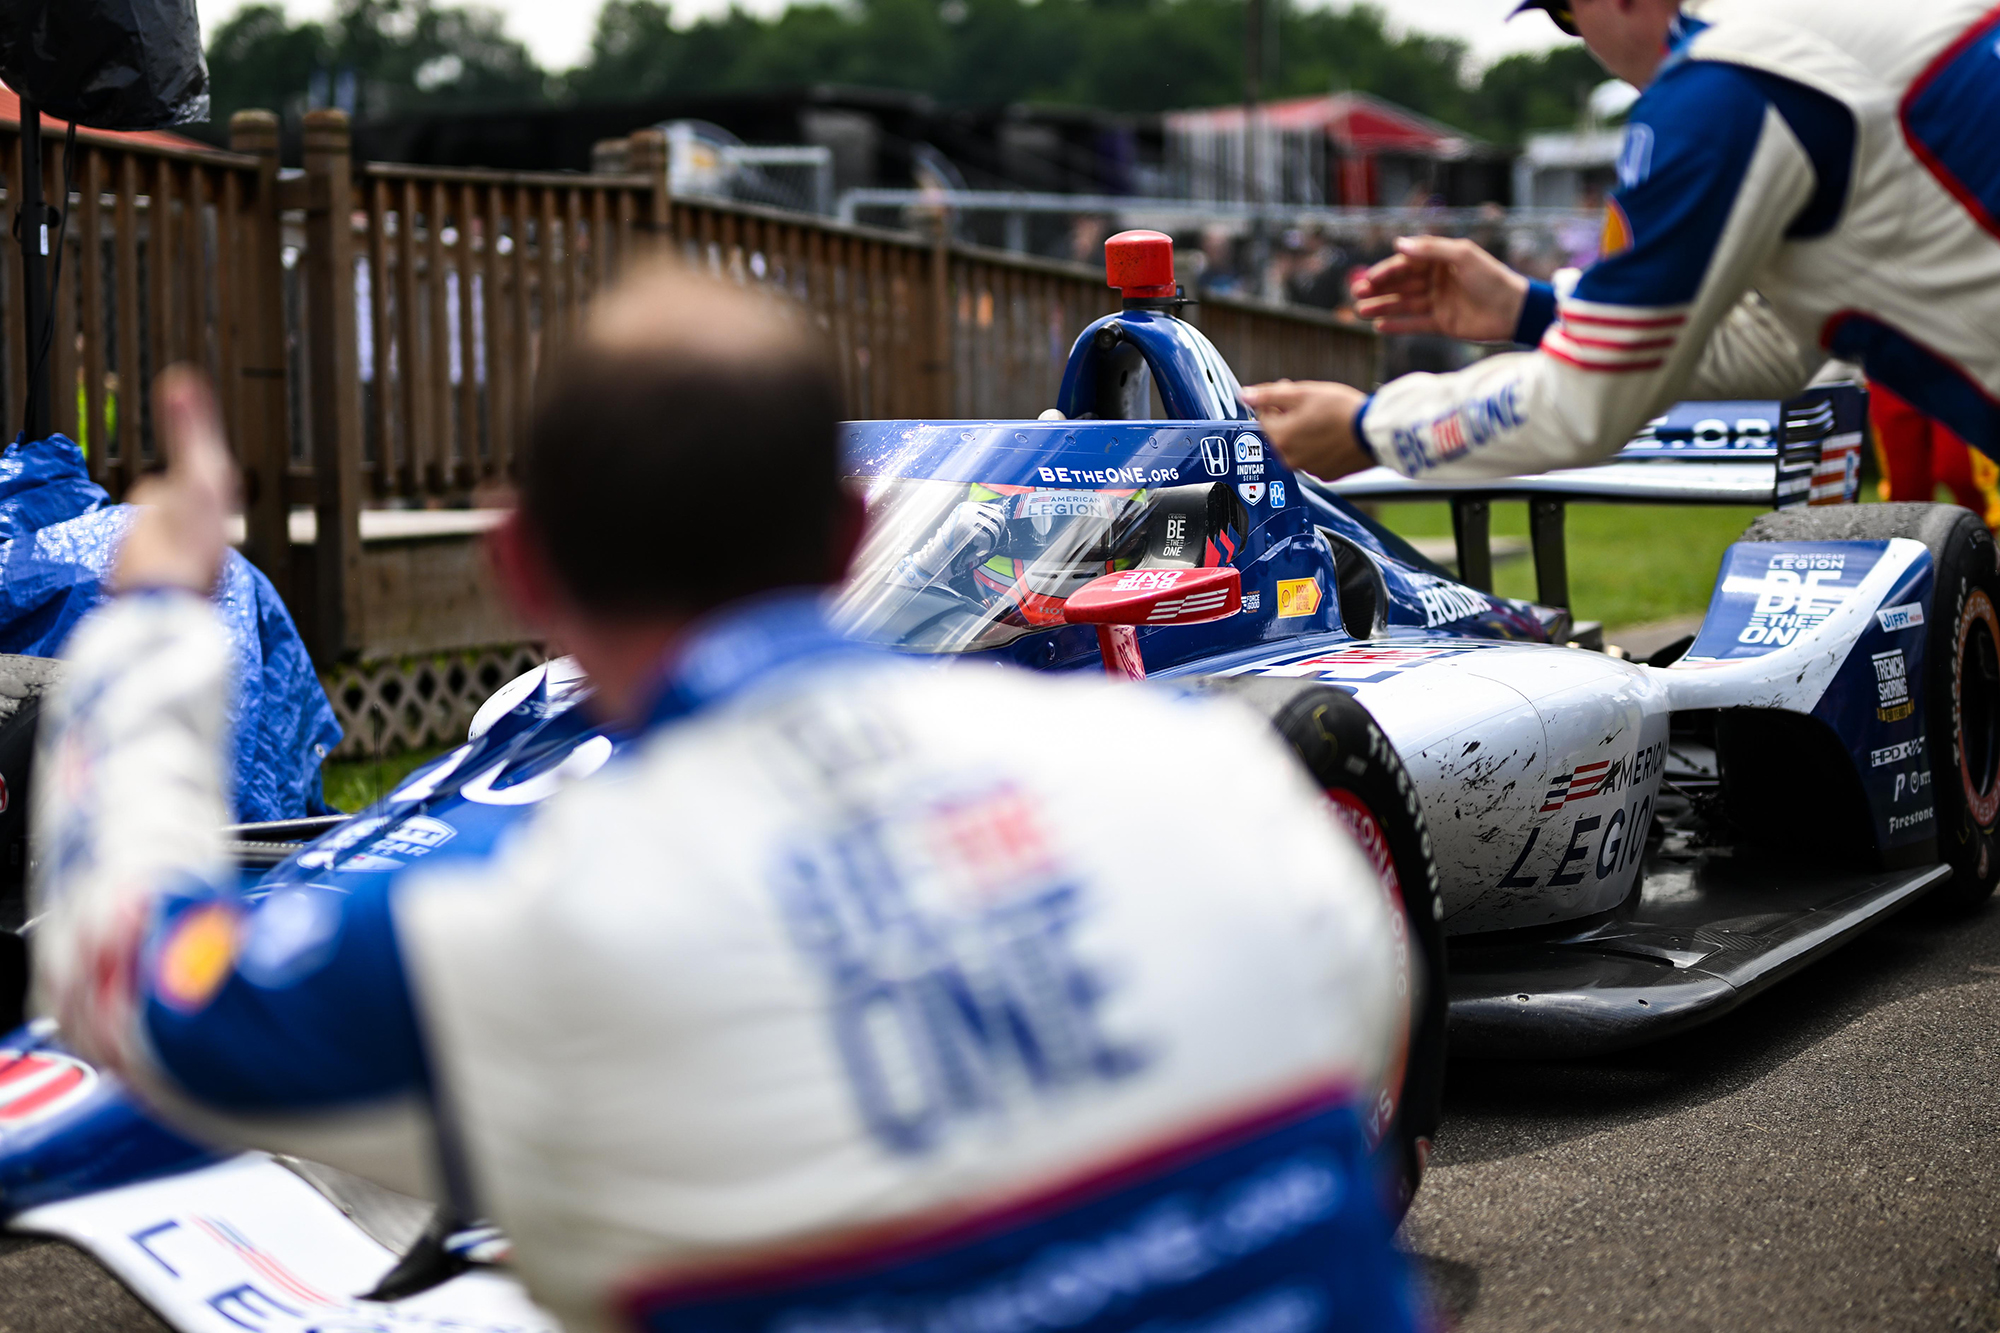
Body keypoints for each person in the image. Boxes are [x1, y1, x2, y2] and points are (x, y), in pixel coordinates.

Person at [28, 264, 1421, 1332]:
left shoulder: (528, 932)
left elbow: (141, 993)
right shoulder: (1219, 784)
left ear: (525, 567)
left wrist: (158, 614)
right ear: (851, 529)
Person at [1243, 0, 2000, 485]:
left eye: (1567, 17)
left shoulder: (1724, 80)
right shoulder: (1791, 34)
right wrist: (1533, 310)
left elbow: (1588, 402)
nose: (1586, 44)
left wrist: (1366, 428)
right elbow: (1775, 343)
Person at [1871, 379, 2000, 527]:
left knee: (1961, 470)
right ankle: (1914, 545)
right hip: (1888, 376)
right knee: (1905, 488)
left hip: (1951, 372)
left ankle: (1980, 539)